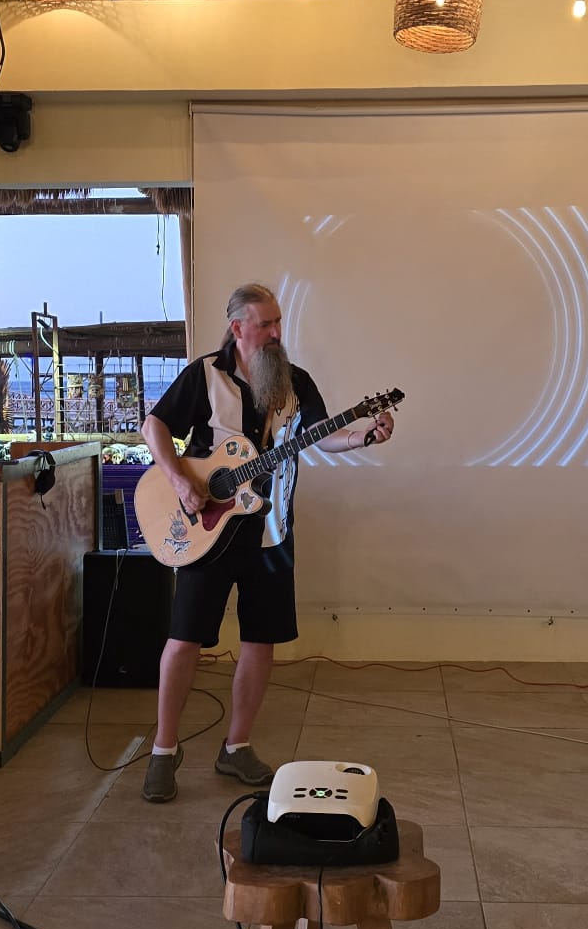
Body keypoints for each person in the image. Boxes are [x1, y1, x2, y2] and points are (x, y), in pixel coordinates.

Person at [138, 282, 395, 802]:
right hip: (206, 532)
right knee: (184, 638)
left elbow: (322, 435)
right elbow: (154, 426)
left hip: (272, 532)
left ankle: (237, 747)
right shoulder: (204, 375)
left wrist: (364, 433)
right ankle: (164, 750)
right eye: (266, 324)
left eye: (279, 323)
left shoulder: (294, 382)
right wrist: (181, 481)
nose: (277, 333)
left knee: (261, 640)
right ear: (238, 327)